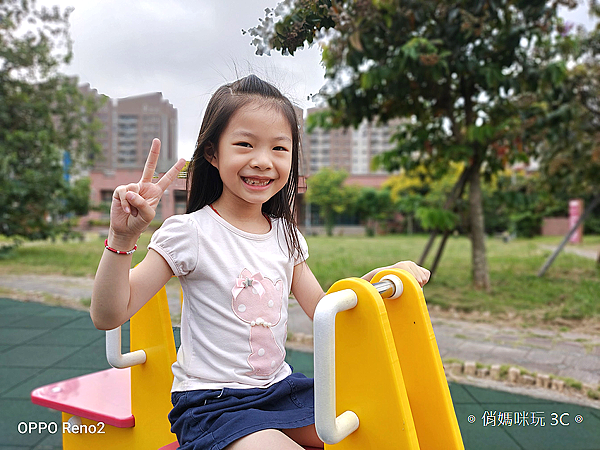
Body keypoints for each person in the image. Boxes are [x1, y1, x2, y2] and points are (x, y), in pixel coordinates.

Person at [91, 75, 430, 450]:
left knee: (385, 418)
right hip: (214, 404)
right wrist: (122, 238)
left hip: (282, 391)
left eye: (279, 149)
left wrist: (387, 277)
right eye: (244, 144)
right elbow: (109, 315)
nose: (263, 161)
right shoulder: (190, 233)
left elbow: (326, 311)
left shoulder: (286, 236)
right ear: (212, 153)